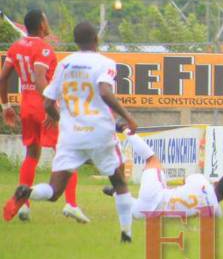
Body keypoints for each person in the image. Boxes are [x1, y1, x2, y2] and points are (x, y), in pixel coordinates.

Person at [3, 22, 139, 243]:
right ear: (96, 39)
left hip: (71, 136)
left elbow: (47, 104)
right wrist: (129, 117)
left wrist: (63, 120)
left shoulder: (65, 64)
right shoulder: (105, 63)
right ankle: (126, 234)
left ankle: (28, 192)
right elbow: (105, 91)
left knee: (54, 190)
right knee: (119, 182)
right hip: (100, 133)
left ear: (76, 42)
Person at [0, 9, 87, 223]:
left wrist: (6, 106)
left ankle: (23, 206)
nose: (48, 23)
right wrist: (50, 106)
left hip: (26, 105)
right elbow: (40, 78)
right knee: (69, 151)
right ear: (41, 24)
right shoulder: (44, 49)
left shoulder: (15, 47)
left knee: (32, 153)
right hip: (42, 104)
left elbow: (3, 78)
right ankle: (71, 204)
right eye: (46, 20)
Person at [103, 131, 223, 219]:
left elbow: (184, 181)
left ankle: (126, 129)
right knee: (135, 207)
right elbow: (217, 212)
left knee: (152, 160)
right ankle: (116, 193)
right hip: (149, 216)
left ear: (216, 182)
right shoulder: (213, 211)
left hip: (156, 194)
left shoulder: (201, 180)